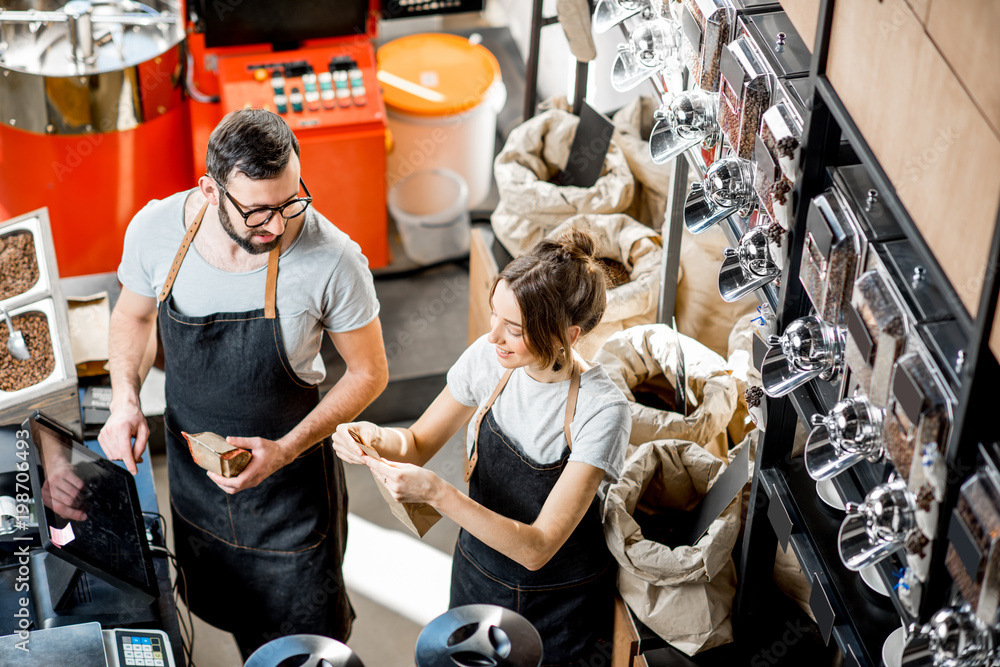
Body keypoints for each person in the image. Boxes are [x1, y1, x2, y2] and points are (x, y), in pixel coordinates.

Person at [99, 108, 388, 658]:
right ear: (210, 190)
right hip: (197, 488)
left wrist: (284, 451)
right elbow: (132, 318)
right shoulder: (156, 232)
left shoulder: (334, 260)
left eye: (291, 202)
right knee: (236, 622)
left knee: (304, 648)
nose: (278, 226)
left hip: (291, 501)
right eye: (258, 213)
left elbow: (371, 373)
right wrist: (124, 401)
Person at [333, 229, 631, 665]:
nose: (493, 337)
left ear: (567, 334)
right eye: (495, 317)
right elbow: (415, 443)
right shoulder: (488, 359)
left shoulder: (601, 410)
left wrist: (437, 492)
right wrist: (378, 437)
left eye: (514, 328)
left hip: (559, 601)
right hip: (478, 573)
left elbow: (538, 547)